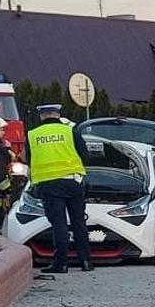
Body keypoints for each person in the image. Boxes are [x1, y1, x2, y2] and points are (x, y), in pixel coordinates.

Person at [27, 104, 95, 272]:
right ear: (58, 115)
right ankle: (86, 261)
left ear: (42, 116)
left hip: (49, 184)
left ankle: (61, 263)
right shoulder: (71, 131)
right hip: (74, 181)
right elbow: (85, 156)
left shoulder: (33, 135)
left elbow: (28, 160)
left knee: (59, 224)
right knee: (79, 222)